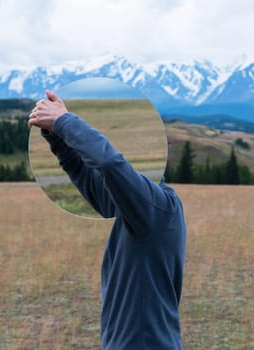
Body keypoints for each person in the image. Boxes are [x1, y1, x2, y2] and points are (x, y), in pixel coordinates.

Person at [28, 91, 187, 349]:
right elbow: (94, 181)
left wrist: (63, 121)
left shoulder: (156, 209)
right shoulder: (135, 207)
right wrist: (56, 137)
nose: (125, 161)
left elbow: (109, 164)